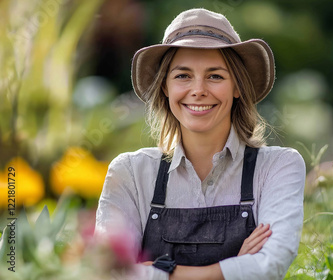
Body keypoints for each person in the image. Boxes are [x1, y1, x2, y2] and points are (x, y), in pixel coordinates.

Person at [95, 8, 305, 280]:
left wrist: (158, 271)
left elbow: (270, 265)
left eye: (215, 76)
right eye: (183, 76)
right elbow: (108, 273)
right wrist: (232, 268)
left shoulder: (278, 167)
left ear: (237, 87)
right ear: (165, 88)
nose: (198, 90)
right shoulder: (131, 173)